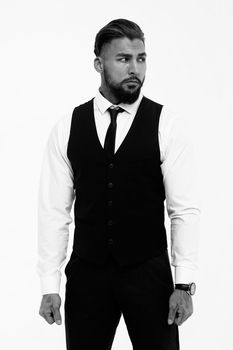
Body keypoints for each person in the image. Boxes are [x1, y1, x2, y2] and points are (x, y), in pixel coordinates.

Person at [37, 18, 200, 350]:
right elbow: (54, 211)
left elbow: (184, 209)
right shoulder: (68, 126)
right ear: (99, 63)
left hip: (148, 272)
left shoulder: (166, 125)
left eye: (141, 58)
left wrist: (182, 284)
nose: (135, 69)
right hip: (87, 273)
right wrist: (49, 284)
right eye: (123, 59)